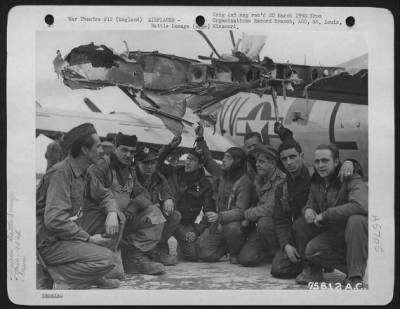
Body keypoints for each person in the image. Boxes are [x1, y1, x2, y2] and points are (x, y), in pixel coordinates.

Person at [36, 123, 120, 289]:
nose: (102, 151)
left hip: (64, 235)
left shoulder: (83, 171)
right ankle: (60, 275)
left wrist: (111, 212)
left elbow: (104, 194)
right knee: (108, 260)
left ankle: (91, 274)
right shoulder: (61, 173)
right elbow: (54, 220)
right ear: (84, 150)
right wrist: (88, 238)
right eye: (98, 146)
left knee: (118, 218)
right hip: (47, 242)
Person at [270, 124, 359, 280]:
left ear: (302, 156)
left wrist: (351, 162)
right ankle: (310, 259)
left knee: (301, 223)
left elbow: (337, 166)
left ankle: (313, 267)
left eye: (293, 157)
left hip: (323, 228)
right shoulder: (281, 188)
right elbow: (281, 220)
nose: (289, 162)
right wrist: (286, 245)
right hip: (298, 235)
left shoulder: (317, 174)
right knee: (278, 270)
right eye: (284, 159)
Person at [81, 133, 166, 275]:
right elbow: (96, 196)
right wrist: (113, 212)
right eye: (124, 150)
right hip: (97, 222)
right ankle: (100, 258)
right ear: (115, 148)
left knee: (156, 215)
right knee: (114, 273)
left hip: (120, 222)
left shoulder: (129, 171)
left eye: (132, 152)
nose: (128, 154)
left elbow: (144, 194)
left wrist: (134, 207)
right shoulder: (101, 166)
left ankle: (133, 259)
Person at [295, 144, 368, 288]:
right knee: (311, 250)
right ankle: (352, 267)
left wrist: (326, 215)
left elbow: (361, 205)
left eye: (325, 160)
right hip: (335, 235)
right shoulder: (317, 182)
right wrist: (308, 211)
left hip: (355, 234)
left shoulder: (350, 177)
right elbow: (310, 203)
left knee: (356, 220)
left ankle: (355, 277)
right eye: (317, 161)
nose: (320, 165)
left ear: (335, 162)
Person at [194, 131, 252, 263]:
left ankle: (235, 251)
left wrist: (220, 217)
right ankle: (225, 247)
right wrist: (201, 138)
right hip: (219, 221)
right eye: (225, 156)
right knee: (204, 253)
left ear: (237, 162)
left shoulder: (244, 182)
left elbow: (240, 211)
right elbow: (208, 159)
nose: (224, 160)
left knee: (232, 229)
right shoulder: (221, 173)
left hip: (235, 223)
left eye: (229, 158)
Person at [157, 137, 215, 262]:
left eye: (193, 160)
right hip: (165, 218)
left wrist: (197, 231)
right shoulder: (174, 171)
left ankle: (183, 245)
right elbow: (157, 163)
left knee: (191, 256)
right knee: (171, 217)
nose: (188, 162)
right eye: (188, 158)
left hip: (184, 224)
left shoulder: (205, 185)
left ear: (200, 165)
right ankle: (160, 245)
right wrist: (169, 147)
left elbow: (209, 212)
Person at [238, 144, 286, 266]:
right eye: (257, 161)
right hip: (259, 224)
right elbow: (257, 203)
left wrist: (247, 214)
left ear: (273, 164)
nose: (257, 164)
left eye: (261, 161)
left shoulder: (281, 181)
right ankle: (267, 250)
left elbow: (271, 208)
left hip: (278, 226)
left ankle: (278, 253)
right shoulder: (259, 179)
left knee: (264, 223)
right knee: (246, 259)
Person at [134, 145, 181, 265]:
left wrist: (168, 199)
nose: (149, 166)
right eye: (145, 163)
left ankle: (156, 246)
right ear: (138, 163)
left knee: (174, 216)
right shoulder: (131, 176)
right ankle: (144, 250)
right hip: (133, 216)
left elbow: (166, 190)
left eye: (153, 163)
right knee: (156, 215)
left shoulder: (157, 177)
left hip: (151, 214)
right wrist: (151, 208)